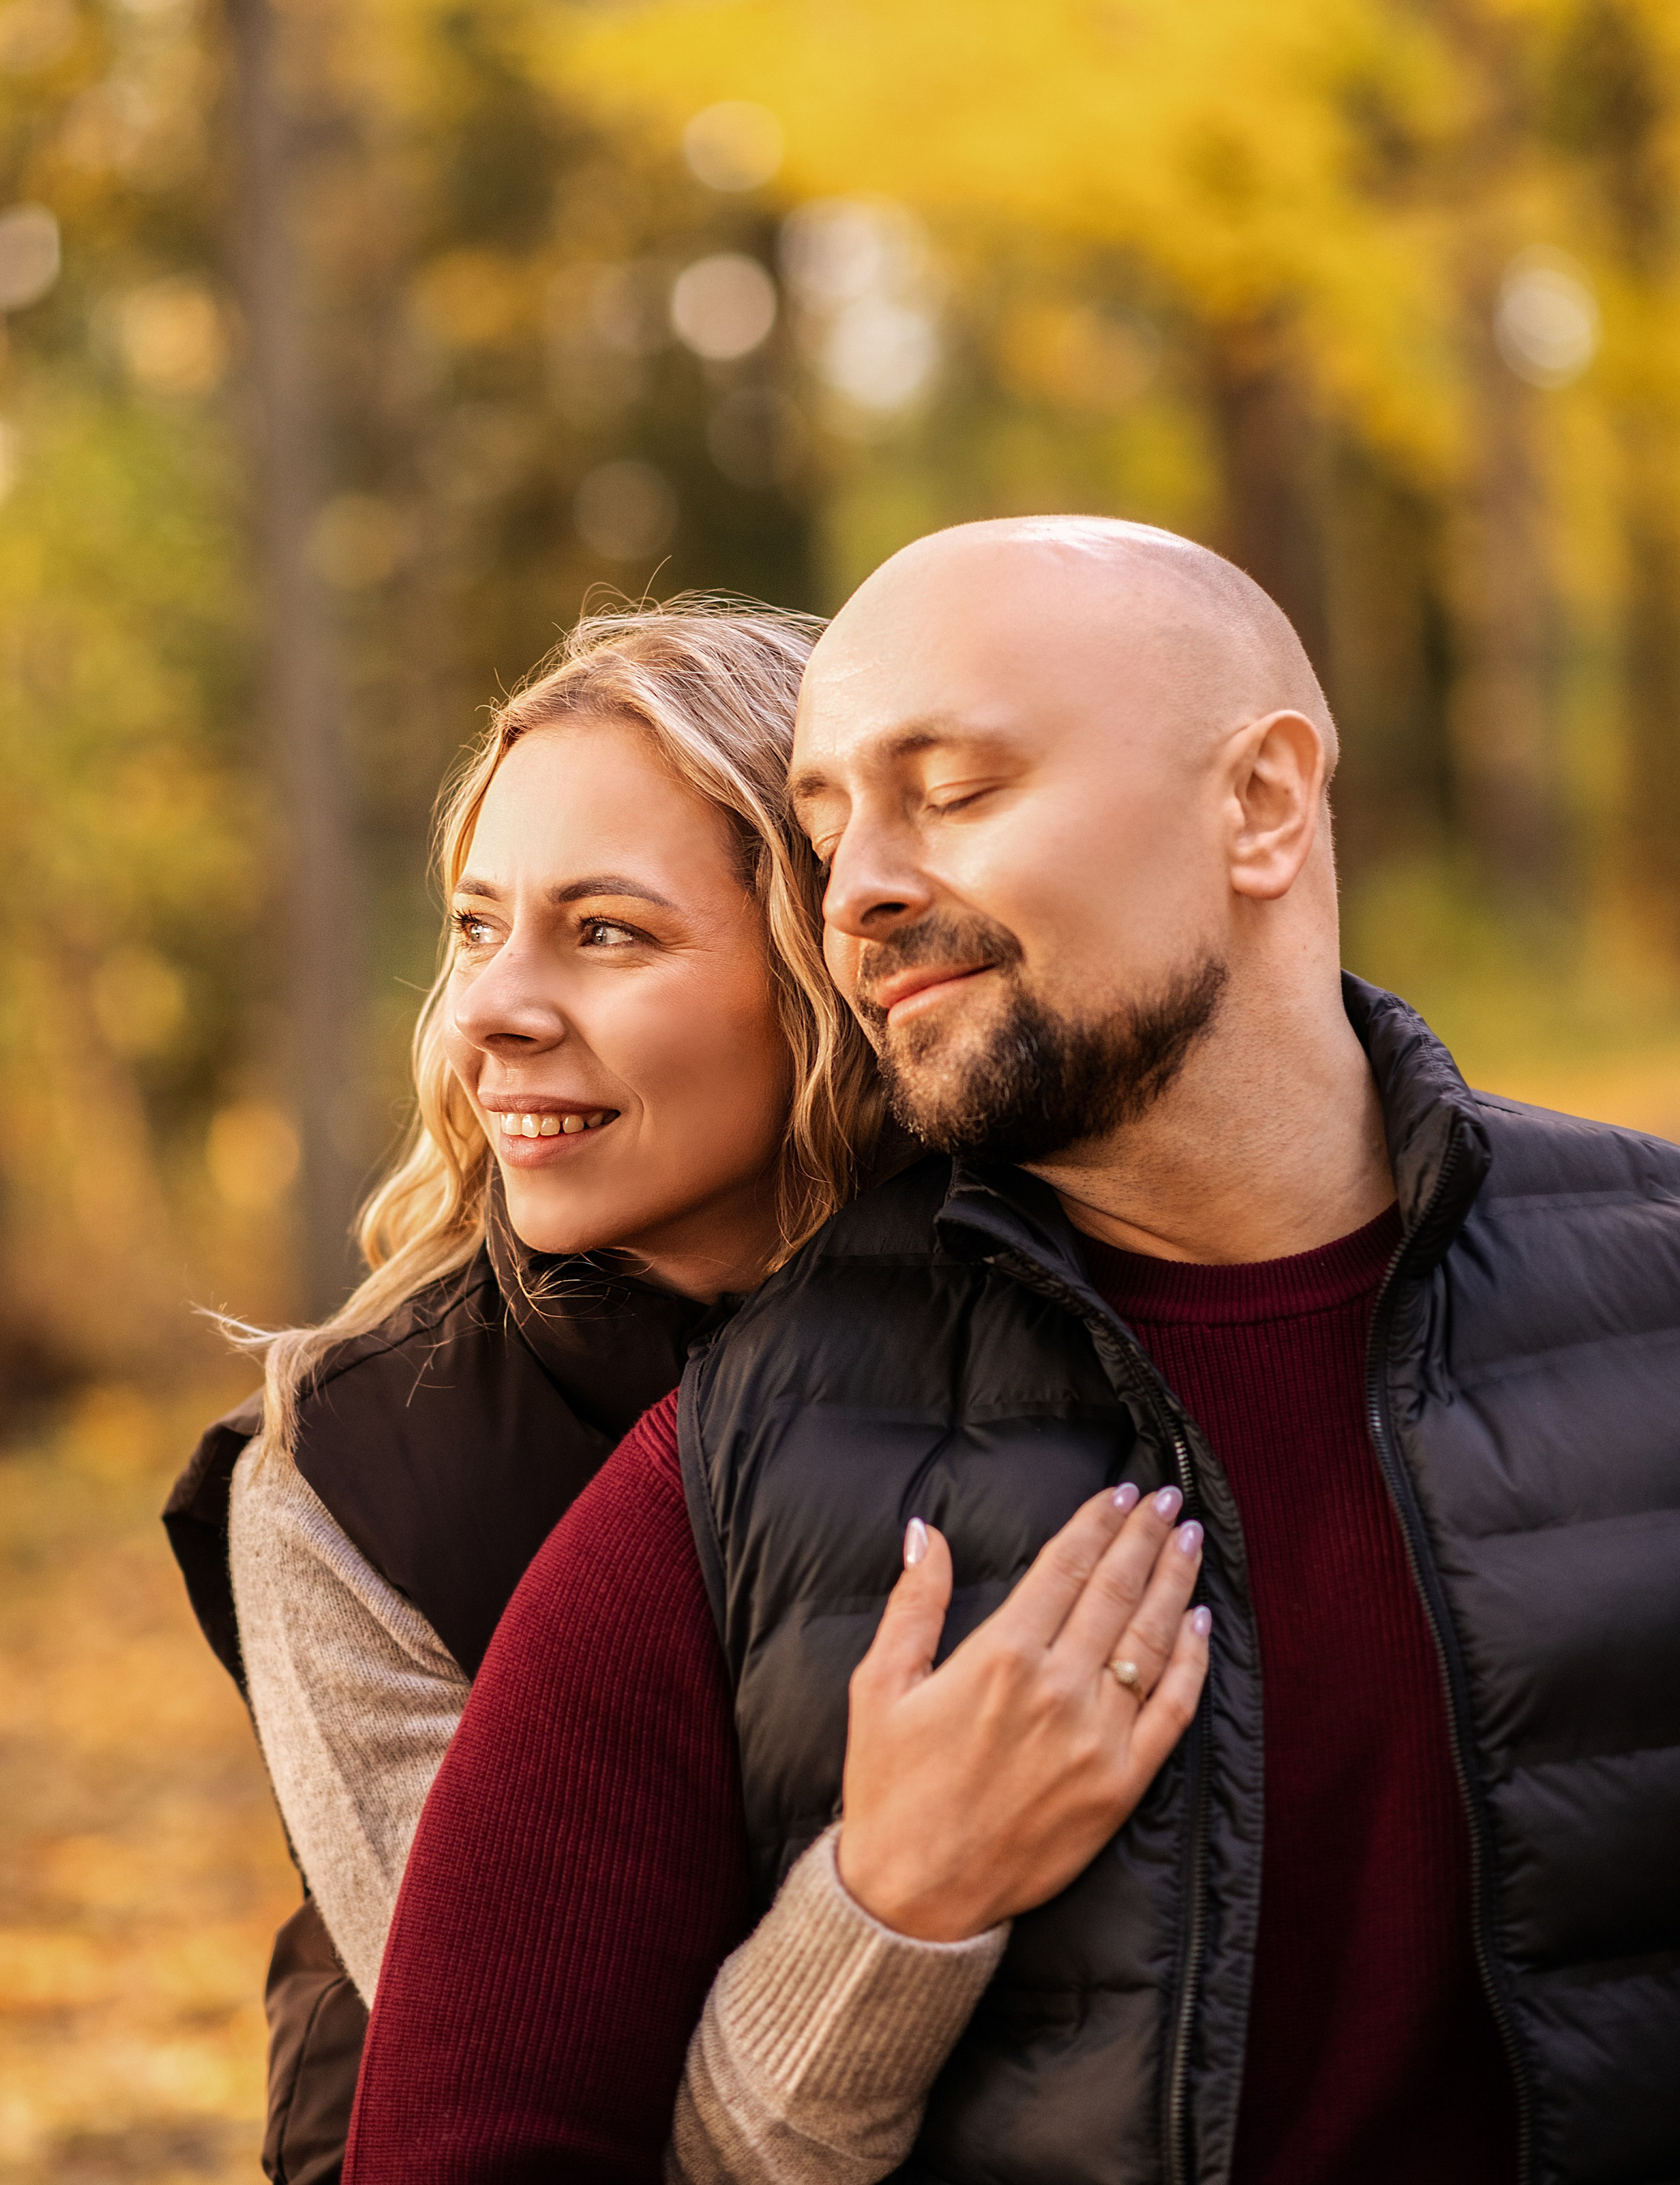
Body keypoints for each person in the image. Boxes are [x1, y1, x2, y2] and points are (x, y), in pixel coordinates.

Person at [346, 518, 1680, 2185]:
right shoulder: (745, 1449)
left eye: (954, 792)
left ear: (1259, 803)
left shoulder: (1655, 1301)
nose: (860, 892)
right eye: (826, 826)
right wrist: (886, 1908)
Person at [163, 600, 889, 2184]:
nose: (490, 1011)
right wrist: (907, 1891)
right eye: (476, 926)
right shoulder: (343, 1473)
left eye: (606, 931)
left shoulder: (1036, 1334)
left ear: (825, 961)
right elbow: (534, 2106)